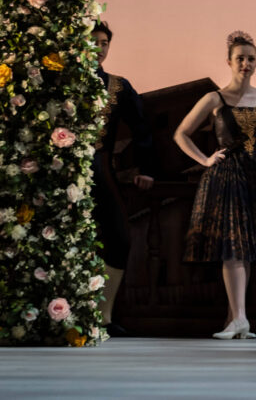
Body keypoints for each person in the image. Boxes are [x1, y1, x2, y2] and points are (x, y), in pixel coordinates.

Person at [174, 31, 256, 340]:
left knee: (245, 248)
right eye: (240, 58)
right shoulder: (214, 98)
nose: (245, 63)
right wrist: (204, 160)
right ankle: (239, 319)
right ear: (229, 62)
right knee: (232, 246)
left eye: (251, 59)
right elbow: (181, 133)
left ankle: (236, 318)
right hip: (226, 177)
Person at [90, 21, 159, 336]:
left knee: (119, 237)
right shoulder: (60, 81)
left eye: (104, 43)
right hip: (60, 172)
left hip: (102, 168)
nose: (99, 48)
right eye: (93, 42)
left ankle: (104, 317)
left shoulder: (119, 86)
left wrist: (146, 169)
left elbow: (142, 128)